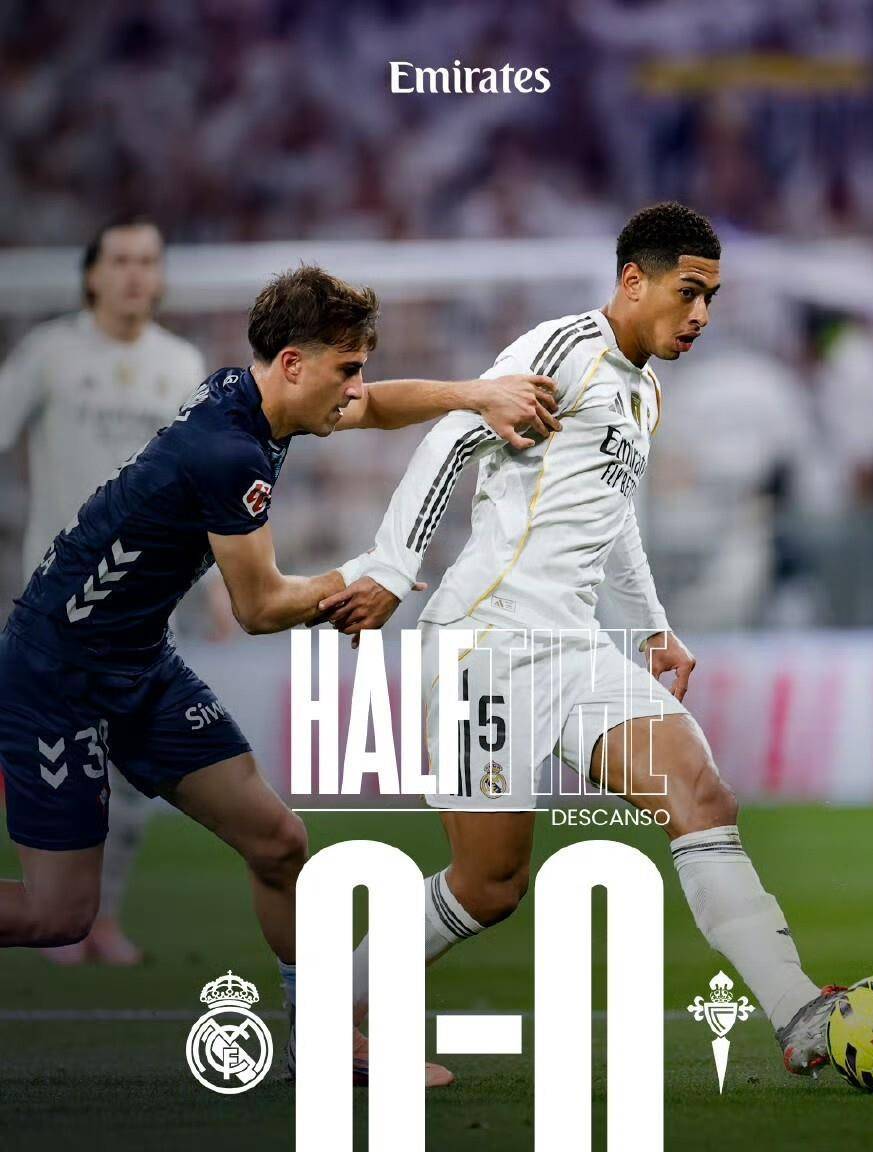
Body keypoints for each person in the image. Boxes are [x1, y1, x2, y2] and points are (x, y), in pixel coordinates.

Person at [323, 202, 845, 1084]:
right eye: (688, 292)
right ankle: (332, 1011)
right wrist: (392, 568)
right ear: (634, 281)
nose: (702, 315)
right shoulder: (563, 348)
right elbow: (452, 436)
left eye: (712, 298)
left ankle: (798, 1013)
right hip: (484, 644)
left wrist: (651, 625)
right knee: (489, 886)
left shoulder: (644, 392)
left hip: (578, 646)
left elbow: (614, 518)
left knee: (702, 797)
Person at [0, 264, 558, 1078]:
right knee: (58, 915)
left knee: (279, 842)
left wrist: (476, 395)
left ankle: (321, 1040)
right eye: (347, 368)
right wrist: (366, 576)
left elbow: (375, 407)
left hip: (135, 660)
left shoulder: (253, 397)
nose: (356, 388)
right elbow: (259, 609)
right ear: (294, 364)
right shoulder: (230, 451)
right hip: (58, 673)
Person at [0, 216, 205, 965]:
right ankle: (57, 913)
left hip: (147, 609)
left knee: (132, 777)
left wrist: (217, 582)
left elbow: (200, 482)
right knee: (58, 773)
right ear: (92, 274)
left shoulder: (180, 364)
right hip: (54, 609)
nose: (134, 274)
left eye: (147, 260)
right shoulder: (50, 353)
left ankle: (102, 918)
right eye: (119, 260)